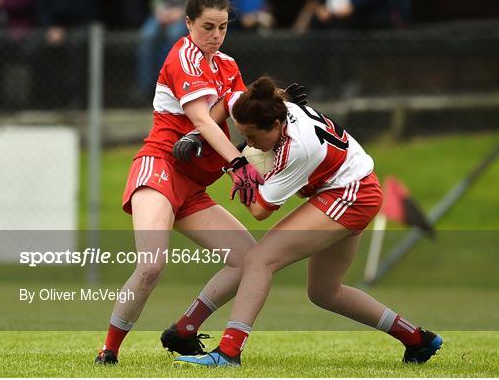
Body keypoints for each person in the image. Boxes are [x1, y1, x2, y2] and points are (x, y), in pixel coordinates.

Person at [94, 0, 304, 365]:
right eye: (208, 27)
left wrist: (282, 106)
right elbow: (205, 124)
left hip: (193, 184)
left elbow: (243, 113)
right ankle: (108, 350)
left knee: (248, 260)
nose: (216, 35)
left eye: (222, 27)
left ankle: (185, 328)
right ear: (188, 23)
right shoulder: (182, 57)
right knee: (152, 266)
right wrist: (238, 164)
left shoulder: (226, 65)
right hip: (160, 168)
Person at [173, 77, 443, 367]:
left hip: (351, 194)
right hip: (354, 186)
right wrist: (200, 136)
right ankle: (418, 339)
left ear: (276, 126)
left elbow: (260, 210)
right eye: (244, 136)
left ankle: (228, 352)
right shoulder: (274, 107)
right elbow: (232, 101)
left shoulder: (298, 148)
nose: (249, 144)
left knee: (260, 260)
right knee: (324, 292)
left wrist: (235, 167)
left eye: (253, 137)